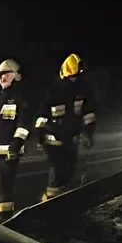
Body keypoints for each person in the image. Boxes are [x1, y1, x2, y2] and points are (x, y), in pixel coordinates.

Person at [34, 53, 97, 201]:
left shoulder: (83, 90)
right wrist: (40, 134)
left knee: (70, 170)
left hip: (71, 139)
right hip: (53, 140)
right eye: (73, 76)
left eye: (77, 76)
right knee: (56, 171)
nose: (75, 79)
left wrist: (89, 133)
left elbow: (89, 114)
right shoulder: (53, 91)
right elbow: (42, 114)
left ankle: (61, 200)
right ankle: (49, 201)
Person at [0, 59, 29, 218]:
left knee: (3, 186)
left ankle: (6, 218)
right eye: (0, 75)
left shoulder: (19, 100)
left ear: (16, 76)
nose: (2, 78)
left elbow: (23, 125)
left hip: (9, 152)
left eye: (6, 74)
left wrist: (16, 145)